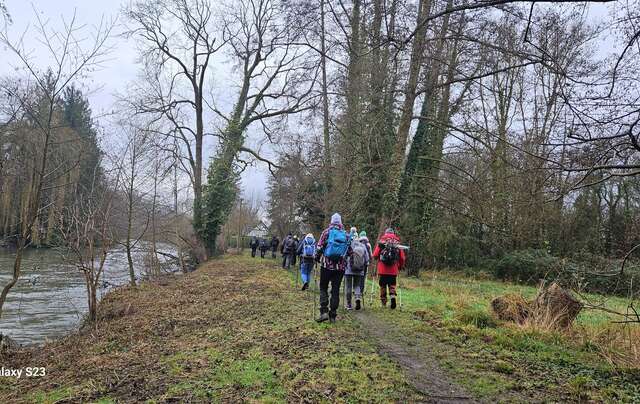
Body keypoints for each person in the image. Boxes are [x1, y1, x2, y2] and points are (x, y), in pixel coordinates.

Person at [315, 213, 351, 323]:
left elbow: (319, 247)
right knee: (335, 290)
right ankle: (333, 316)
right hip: (340, 268)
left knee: (323, 287)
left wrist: (317, 257)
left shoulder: (326, 232)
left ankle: (324, 311)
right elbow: (350, 252)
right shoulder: (346, 235)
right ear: (340, 223)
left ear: (331, 221)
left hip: (326, 265)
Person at [372, 228, 406, 309]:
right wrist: (400, 266)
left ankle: (383, 303)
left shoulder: (382, 241)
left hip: (382, 269)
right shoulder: (396, 243)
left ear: (385, 233)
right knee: (392, 285)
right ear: (393, 233)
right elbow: (402, 258)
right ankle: (393, 296)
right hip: (393, 269)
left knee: (383, 286)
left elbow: (375, 255)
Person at [344, 228, 369, 310]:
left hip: (349, 269)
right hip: (360, 269)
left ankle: (349, 305)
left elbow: (344, 256)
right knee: (357, 285)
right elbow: (367, 259)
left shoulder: (348, 244)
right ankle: (357, 298)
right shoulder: (363, 246)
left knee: (348, 286)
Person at [358, 231, 373, 298]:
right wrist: (369, 261)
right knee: (363, 277)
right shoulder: (368, 244)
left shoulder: (357, 242)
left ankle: (355, 290)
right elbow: (371, 255)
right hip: (365, 263)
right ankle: (361, 291)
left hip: (357, 262)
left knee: (357, 276)